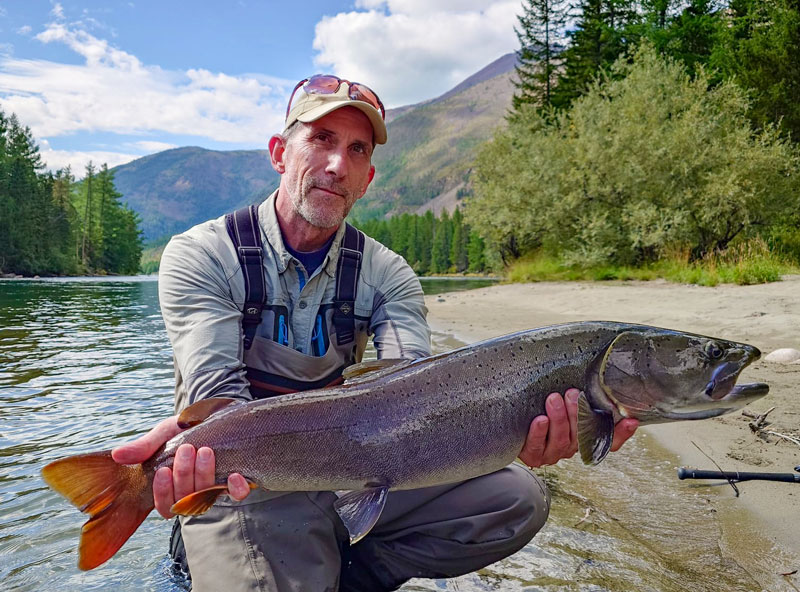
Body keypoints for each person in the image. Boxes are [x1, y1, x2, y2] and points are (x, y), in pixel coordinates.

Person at [112, 74, 638, 591]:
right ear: (279, 152)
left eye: (358, 150)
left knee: (515, 498)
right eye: (321, 139)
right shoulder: (203, 254)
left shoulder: (388, 274)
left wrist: (505, 432)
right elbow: (217, 399)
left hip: (354, 470)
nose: (338, 165)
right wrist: (181, 454)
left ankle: (349, 575)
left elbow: (417, 398)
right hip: (241, 484)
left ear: (367, 178)